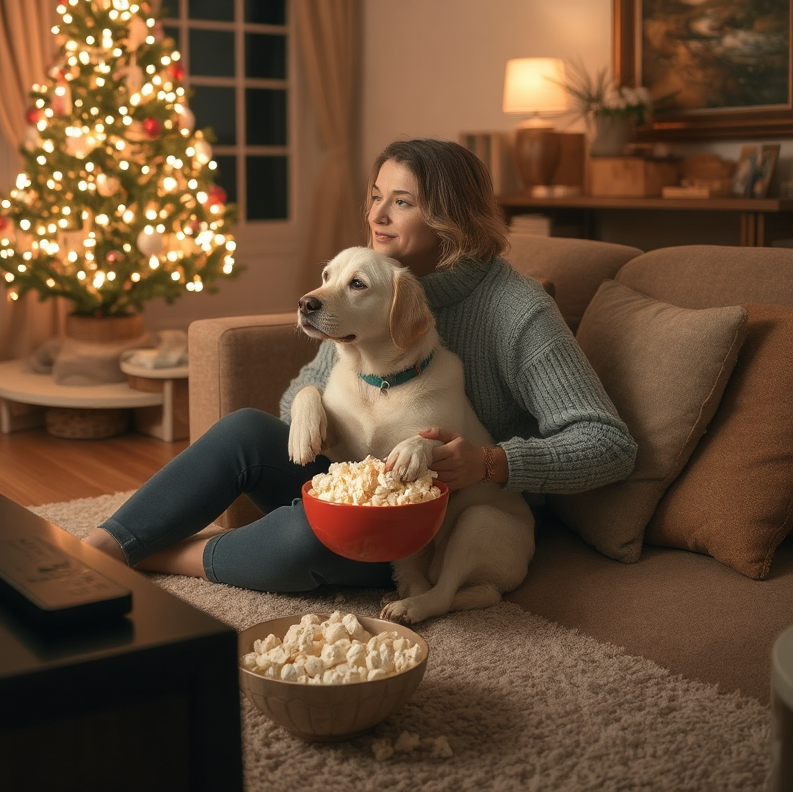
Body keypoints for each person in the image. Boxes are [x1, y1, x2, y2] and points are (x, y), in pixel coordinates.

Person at [84, 138, 636, 591]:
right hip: (359, 483)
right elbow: (305, 388)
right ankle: (98, 548)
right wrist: (307, 408)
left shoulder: (516, 311)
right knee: (245, 430)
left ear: (451, 216)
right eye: (375, 197)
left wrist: (491, 463)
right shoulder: (367, 285)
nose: (375, 215)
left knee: (305, 537)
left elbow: (608, 444)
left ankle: (160, 556)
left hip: (442, 524)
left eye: (401, 201)